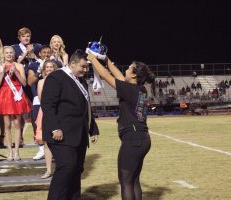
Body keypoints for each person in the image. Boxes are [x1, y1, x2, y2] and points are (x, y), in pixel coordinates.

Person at [87, 53, 154, 200]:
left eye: (130, 68)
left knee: (125, 182)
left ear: (135, 75)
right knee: (133, 180)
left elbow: (106, 75)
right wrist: (106, 60)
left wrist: (92, 59)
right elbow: (120, 77)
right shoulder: (140, 89)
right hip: (142, 139)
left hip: (133, 140)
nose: (127, 69)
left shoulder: (130, 90)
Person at [41, 49, 99, 200]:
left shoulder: (81, 80)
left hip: (79, 134)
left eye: (87, 67)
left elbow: (85, 107)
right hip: (60, 133)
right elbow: (48, 105)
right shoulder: (56, 77)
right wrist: (55, 128)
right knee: (67, 166)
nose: (85, 70)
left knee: (76, 169)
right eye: (83, 67)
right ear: (72, 64)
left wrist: (92, 127)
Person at [0, 46, 31, 161]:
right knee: (7, 125)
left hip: (17, 95)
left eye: (11, 52)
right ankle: (9, 151)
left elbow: (24, 83)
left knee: (17, 124)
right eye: (7, 53)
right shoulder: (0, 67)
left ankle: (16, 151)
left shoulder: (19, 65)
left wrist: (16, 71)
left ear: (14, 54)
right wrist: (2, 73)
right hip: (5, 95)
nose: (9, 54)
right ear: (3, 54)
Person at [27, 45, 52, 160]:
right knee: (38, 125)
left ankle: (53, 149)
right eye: (44, 52)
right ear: (40, 54)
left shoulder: (54, 64)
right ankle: (42, 149)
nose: (46, 54)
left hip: (53, 99)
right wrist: (39, 70)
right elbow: (30, 81)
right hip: (38, 99)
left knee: (53, 124)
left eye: (48, 52)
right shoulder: (33, 64)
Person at [35, 60, 58, 178]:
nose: (49, 69)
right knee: (47, 142)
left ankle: (60, 170)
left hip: (59, 113)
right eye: (47, 67)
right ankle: (49, 170)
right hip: (45, 113)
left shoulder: (60, 81)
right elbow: (41, 99)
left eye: (51, 67)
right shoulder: (41, 82)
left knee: (60, 143)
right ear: (44, 69)